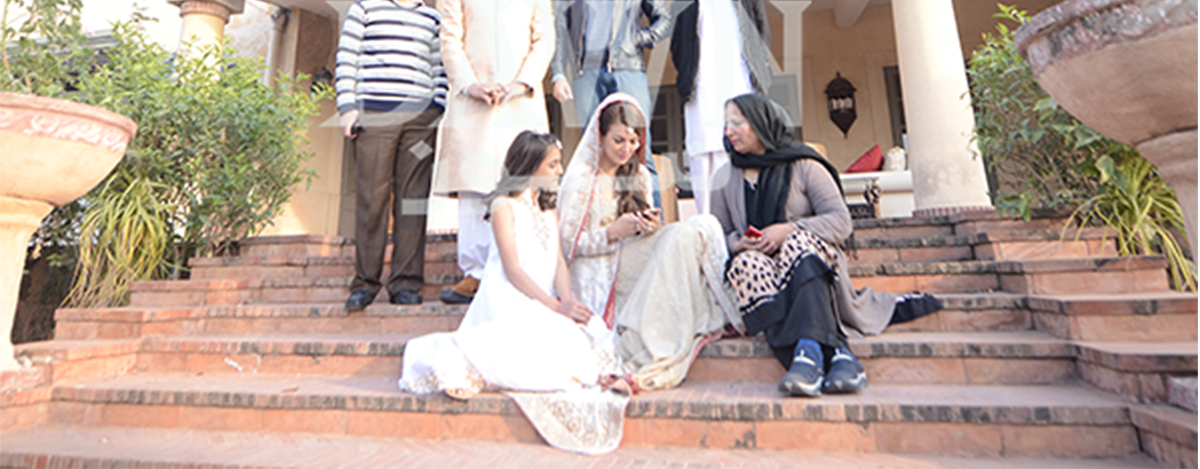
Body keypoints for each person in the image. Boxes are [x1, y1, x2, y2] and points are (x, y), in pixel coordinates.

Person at [399, 131, 627, 454]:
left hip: (545, 299)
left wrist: (567, 303)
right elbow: (513, 269)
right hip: (509, 296)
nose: (560, 170)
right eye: (553, 164)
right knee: (527, 346)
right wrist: (554, 307)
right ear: (531, 166)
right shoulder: (503, 205)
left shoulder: (548, 208)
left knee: (586, 331)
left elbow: (558, 262)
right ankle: (459, 364)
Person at [711, 93, 941, 397]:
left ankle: (809, 355)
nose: (728, 131)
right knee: (744, 263)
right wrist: (740, 243)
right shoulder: (724, 177)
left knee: (797, 242)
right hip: (762, 272)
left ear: (760, 123)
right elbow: (719, 235)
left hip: (812, 263)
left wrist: (788, 229)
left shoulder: (804, 165)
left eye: (737, 123)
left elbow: (840, 222)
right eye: (726, 124)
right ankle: (838, 357)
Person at [558, 93, 743, 392]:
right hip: (599, 271)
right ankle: (657, 347)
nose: (627, 149)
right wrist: (611, 233)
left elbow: (645, 227)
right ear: (600, 136)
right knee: (682, 237)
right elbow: (566, 246)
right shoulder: (581, 180)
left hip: (633, 255)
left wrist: (651, 227)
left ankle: (720, 310)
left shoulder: (640, 174)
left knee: (700, 226)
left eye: (633, 141)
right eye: (619, 140)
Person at [433, 0, 555, 305]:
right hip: (474, 103)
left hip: (521, 100)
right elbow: (450, 42)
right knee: (475, 186)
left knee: (522, 183)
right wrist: (471, 85)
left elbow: (544, 42)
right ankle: (474, 273)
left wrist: (521, 84)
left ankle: (525, 269)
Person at [336, 0, 447, 311]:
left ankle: (406, 283)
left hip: (420, 119)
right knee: (372, 200)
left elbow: (440, 66)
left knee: (412, 201)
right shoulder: (365, 8)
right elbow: (347, 58)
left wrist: (437, 106)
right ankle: (365, 284)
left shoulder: (432, 18)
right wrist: (348, 108)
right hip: (375, 114)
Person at [670, 0, 772, 215]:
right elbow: (679, 49)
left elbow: (762, 39)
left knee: (745, 154)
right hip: (701, 93)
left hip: (741, 89)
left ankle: (749, 225)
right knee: (704, 161)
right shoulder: (684, 0)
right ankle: (709, 230)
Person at [550, 0, 672, 149]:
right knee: (593, 146)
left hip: (628, 69)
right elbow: (560, 33)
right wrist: (558, 74)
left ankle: (644, 178)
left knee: (638, 144)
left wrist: (637, 38)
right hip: (586, 74)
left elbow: (664, 19)